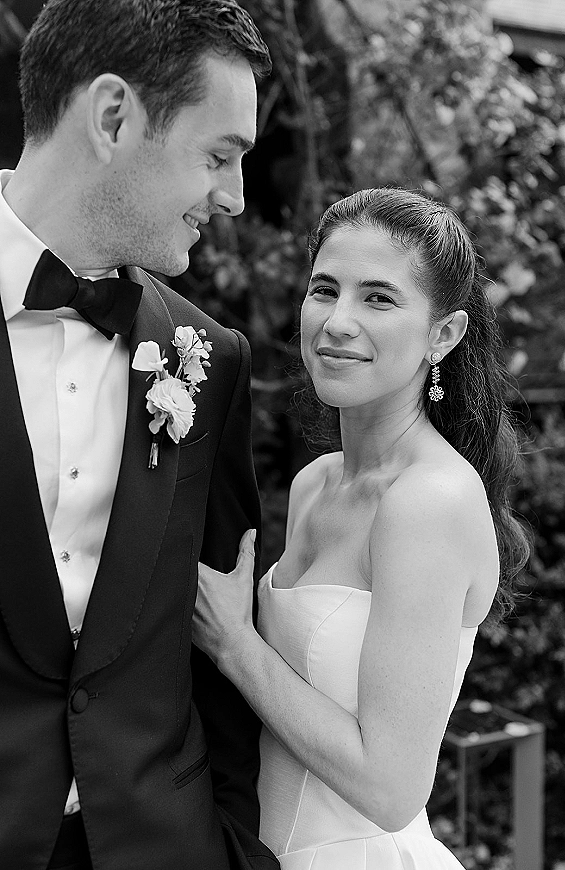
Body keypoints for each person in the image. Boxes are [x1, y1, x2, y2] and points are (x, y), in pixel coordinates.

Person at [0, 1, 279, 869]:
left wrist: (232, 847)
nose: (234, 197)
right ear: (115, 116)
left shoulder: (209, 357)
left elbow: (219, 633)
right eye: (220, 155)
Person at [192, 187, 530, 869]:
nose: (337, 321)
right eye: (325, 289)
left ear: (445, 334)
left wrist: (235, 645)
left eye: (378, 298)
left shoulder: (429, 501)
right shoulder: (318, 482)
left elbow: (391, 786)